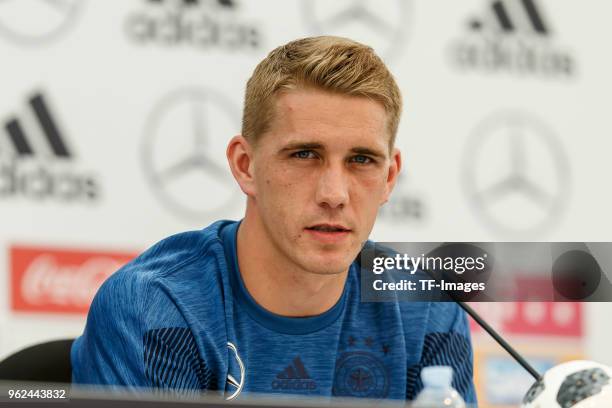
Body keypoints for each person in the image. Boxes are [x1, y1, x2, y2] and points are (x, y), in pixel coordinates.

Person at [71, 36, 477, 403]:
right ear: (245, 165)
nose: (334, 194)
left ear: (389, 177)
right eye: (304, 155)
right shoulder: (156, 307)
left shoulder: (425, 307)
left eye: (361, 160)